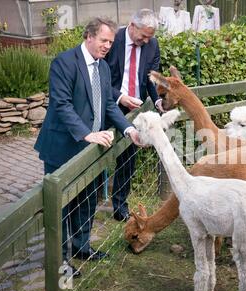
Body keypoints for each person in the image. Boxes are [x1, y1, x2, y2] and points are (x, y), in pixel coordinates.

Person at [34, 17, 142, 276]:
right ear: (89, 36)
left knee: (88, 199)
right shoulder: (64, 62)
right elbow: (61, 105)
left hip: (91, 151)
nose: (107, 46)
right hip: (63, 147)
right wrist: (86, 134)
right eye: (104, 40)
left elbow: (107, 105)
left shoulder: (102, 68)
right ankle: (59, 263)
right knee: (60, 207)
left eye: (111, 42)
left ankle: (82, 247)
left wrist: (129, 129)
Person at [104, 9, 163, 222]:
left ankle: (120, 207)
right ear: (132, 26)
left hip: (134, 109)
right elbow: (100, 80)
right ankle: (87, 205)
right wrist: (120, 97)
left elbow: (151, 78)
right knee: (98, 154)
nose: (147, 41)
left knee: (127, 159)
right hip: (110, 105)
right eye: (144, 36)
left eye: (150, 36)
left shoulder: (152, 45)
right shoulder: (113, 40)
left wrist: (157, 100)